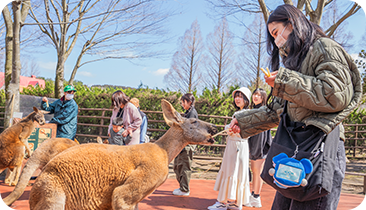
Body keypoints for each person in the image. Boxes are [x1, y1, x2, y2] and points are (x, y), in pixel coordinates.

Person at [229, 4, 361, 210]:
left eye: (275, 32)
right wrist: (243, 121)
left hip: (322, 147)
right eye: (272, 36)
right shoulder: (295, 62)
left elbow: (335, 95)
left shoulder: (325, 47)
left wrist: (286, 81)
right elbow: (277, 111)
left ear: (291, 24)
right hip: (296, 148)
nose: (275, 40)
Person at [208, 87, 252, 210]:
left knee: (230, 171)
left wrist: (229, 128)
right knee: (237, 172)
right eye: (236, 96)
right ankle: (236, 203)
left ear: (246, 99)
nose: (237, 99)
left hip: (236, 147)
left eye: (240, 96)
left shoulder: (242, 114)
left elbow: (235, 131)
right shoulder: (245, 113)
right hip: (238, 146)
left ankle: (222, 202)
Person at [248, 88, 272, 208]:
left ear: (263, 98)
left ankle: (256, 196)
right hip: (254, 146)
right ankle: (253, 194)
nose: (256, 97)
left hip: (261, 147)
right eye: (255, 94)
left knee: (258, 172)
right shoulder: (254, 110)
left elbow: (262, 134)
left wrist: (257, 150)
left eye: (259, 95)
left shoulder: (263, 111)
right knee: (254, 170)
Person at [172, 93, 198, 196]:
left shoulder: (192, 113)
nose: (182, 104)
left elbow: (188, 129)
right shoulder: (188, 112)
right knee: (177, 165)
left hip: (187, 144)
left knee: (184, 166)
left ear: (189, 102)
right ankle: (182, 186)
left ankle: (184, 189)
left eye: (184, 102)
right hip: (183, 143)